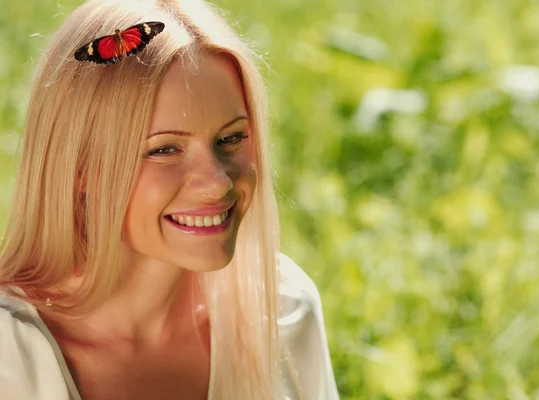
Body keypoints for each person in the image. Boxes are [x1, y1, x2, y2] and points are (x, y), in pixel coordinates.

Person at [0, 0, 339, 399]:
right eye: (163, 150)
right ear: (79, 167)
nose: (216, 184)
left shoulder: (281, 309)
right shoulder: (10, 352)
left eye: (231, 138)